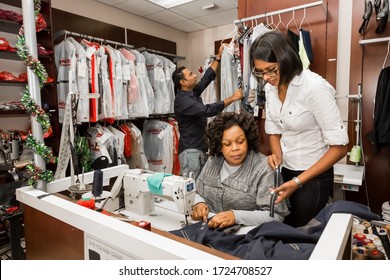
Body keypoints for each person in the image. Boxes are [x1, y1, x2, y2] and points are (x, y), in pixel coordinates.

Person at [249, 30, 348, 227]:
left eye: (271, 70)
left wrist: (297, 182)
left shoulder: (314, 88)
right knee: (280, 224)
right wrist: (277, 156)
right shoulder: (270, 88)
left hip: (313, 177)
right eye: (260, 72)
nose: (266, 78)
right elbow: (274, 131)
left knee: (298, 230)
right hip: (285, 170)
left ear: (286, 59)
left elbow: (340, 148)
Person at [191, 112, 290, 228]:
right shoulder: (213, 161)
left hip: (246, 239)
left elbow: (276, 215)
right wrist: (198, 203)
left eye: (240, 142)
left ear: (248, 140)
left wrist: (236, 216)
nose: (235, 148)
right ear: (219, 146)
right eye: (227, 144)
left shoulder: (264, 169)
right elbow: (196, 191)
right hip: (207, 233)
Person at [172, 44, 243, 181]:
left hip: (199, 148)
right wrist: (233, 98)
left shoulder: (191, 93)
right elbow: (208, 110)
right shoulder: (182, 101)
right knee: (192, 187)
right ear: (183, 82)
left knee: (201, 185)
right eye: (191, 74)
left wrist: (219, 56)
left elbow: (207, 79)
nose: (194, 75)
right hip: (190, 151)